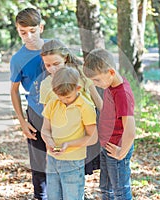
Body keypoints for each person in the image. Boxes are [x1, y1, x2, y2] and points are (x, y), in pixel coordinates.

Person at [40, 39, 102, 175]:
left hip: (85, 130)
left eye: (56, 64)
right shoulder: (45, 85)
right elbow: (47, 121)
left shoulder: (81, 73)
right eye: (48, 65)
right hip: (62, 136)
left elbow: (97, 100)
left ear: (65, 58)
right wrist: (48, 148)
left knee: (80, 173)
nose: (52, 69)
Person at [83, 48, 136, 200]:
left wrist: (121, 152)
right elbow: (103, 108)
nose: (96, 83)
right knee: (106, 189)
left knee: (120, 191)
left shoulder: (121, 94)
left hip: (117, 148)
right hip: (107, 146)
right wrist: (91, 87)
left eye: (97, 80)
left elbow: (131, 131)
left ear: (111, 72)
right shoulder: (110, 86)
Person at [41, 67, 98, 200]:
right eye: (60, 97)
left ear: (78, 88)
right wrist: (48, 140)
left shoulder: (86, 107)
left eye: (68, 97)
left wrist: (69, 144)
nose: (64, 100)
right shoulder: (52, 103)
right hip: (52, 159)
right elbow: (45, 129)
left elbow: (93, 137)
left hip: (73, 161)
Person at [9, 8, 48, 200]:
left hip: (63, 114)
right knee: (39, 164)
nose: (28, 36)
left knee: (66, 160)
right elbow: (14, 90)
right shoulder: (18, 59)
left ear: (41, 27)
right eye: (23, 32)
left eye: (33, 31)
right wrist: (23, 122)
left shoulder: (55, 47)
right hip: (35, 115)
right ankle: (41, 196)